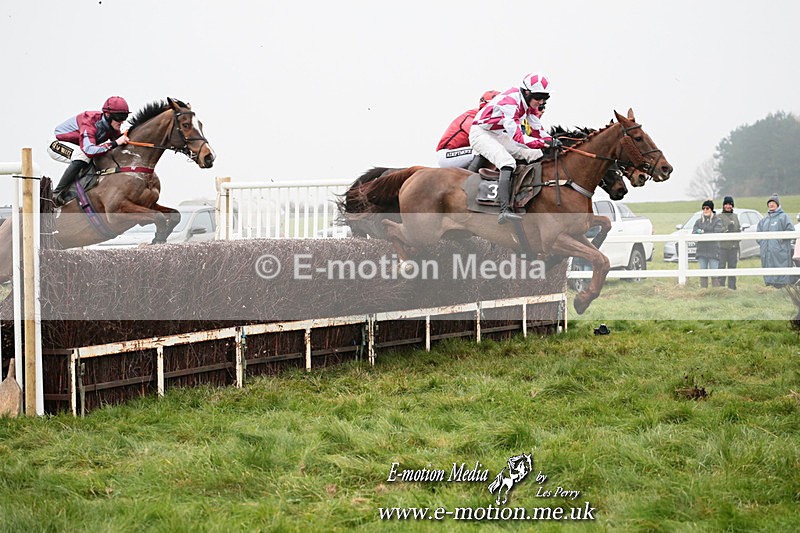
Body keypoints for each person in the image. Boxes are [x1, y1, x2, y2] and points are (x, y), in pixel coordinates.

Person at [469, 72, 560, 224]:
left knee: (536, 154)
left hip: (498, 134)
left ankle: (530, 196)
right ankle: (504, 210)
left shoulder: (528, 103)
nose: (542, 101)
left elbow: (537, 129)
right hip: (481, 133)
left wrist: (552, 141)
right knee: (507, 162)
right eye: (538, 97)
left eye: (545, 97)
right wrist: (544, 144)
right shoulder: (511, 102)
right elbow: (519, 138)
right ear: (527, 92)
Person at [48, 96, 131, 205]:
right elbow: (89, 150)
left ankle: (73, 192)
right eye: (119, 117)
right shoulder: (89, 122)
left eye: (124, 117)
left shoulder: (111, 125)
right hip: (57, 143)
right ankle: (56, 194)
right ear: (107, 115)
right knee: (83, 156)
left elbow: (117, 142)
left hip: (79, 147)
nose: (122, 121)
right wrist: (115, 143)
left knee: (98, 158)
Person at [436, 90, 499, 169]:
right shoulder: (471, 117)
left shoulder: (489, 121)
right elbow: (485, 138)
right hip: (446, 155)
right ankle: (472, 178)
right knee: (485, 150)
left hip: (464, 153)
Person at [756, 195, 795, 288]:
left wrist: (780, 240)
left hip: (780, 252)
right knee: (767, 267)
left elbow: (791, 231)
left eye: (773, 203)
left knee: (780, 270)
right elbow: (758, 235)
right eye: (769, 203)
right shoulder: (764, 220)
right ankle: (769, 285)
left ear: (777, 204)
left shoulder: (783, 217)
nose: (771, 205)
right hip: (766, 252)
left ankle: (782, 287)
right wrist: (762, 243)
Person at [693, 199, 723, 288]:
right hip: (701, 251)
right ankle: (704, 290)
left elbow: (717, 232)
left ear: (711, 209)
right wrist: (698, 232)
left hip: (713, 251)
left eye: (707, 208)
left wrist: (703, 232)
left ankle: (715, 291)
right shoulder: (698, 221)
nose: (705, 210)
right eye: (704, 208)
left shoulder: (717, 221)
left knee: (714, 272)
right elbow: (694, 232)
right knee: (703, 272)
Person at [716, 195, 741, 289]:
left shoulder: (735, 216)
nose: (728, 206)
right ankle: (721, 287)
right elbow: (718, 230)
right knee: (721, 266)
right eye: (726, 204)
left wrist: (739, 235)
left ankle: (732, 287)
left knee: (732, 267)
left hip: (734, 246)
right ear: (723, 206)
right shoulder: (719, 217)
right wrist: (727, 229)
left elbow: (738, 228)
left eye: (730, 204)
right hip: (722, 246)